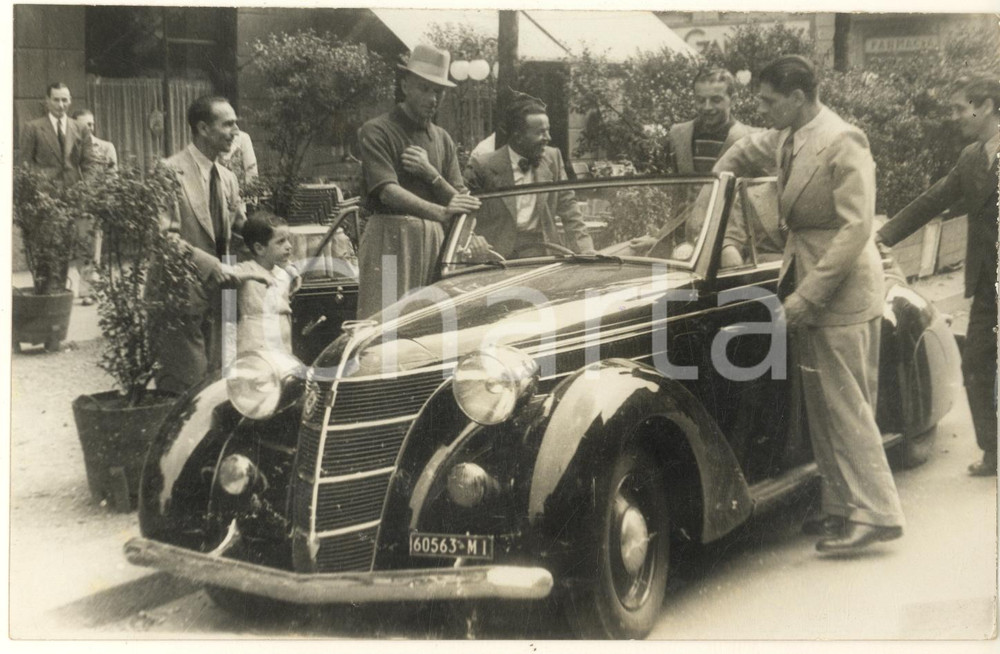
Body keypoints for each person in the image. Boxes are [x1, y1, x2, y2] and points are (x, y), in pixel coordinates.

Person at [714, 55, 904, 554]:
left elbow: (856, 228)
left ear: (798, 98)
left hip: (839, 289)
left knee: (847, 406)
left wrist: (807, 294)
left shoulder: (844, 140)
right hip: (806, 278)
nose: (760, 108)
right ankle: (841, 507)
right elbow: (737, 154)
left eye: (769, 100)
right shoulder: (786, 135)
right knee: (823, 408)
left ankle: (878, 514)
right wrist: (712, 193)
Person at [877, 76, 999, 477]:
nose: (956, 117)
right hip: (987, 285)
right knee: (976, 364)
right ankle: (993, 451)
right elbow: (932, 201)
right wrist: (880, 236)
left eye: (961, 108)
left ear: (986, 105)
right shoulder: (970, 158)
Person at [356, 43, 480, 318]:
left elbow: (462, 197)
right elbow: (387, 191)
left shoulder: (443, 138)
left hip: (435, 242)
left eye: (438, 91)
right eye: (424, 88)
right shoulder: (377, 130)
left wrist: (431, 175)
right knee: (383, 321)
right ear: (404, 86)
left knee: (428, 322)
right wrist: (441, 212)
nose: (433, 98)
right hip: (390, 238)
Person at [153, 95, 257, 395]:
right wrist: (211, 266)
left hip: (218, 300)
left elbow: (240, 226)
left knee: (217, 384)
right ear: (202, 128)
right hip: (182, 297)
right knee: (188, 387)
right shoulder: (169, 172)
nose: (236, 131)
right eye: (228, 124)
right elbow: (163, 239)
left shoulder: (226, 177)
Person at [463, 93, 594, 258]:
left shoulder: (553, 158)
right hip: (496, 256)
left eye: (548, 131)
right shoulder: (482, 166)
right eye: (540, 132)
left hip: (542, 252)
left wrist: (587, 252)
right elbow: (461, 213)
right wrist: (472, 238)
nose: (548, 138)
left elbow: (570, 210)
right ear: (517, 136)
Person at [668, 68, 758, 174]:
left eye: (716, 100)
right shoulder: (678, 134)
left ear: (733, 100)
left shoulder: (751, 138)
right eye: (701, 100)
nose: (707, 107)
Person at [234, 211, 300, 355]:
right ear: (259, 248)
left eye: (288, 240)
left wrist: (293, 272)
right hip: (254, 341)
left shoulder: (282, 271)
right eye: (280, 241)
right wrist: (252, 276)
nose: (288, 246)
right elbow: (226, 273)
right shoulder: (247, 268)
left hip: (282, 339)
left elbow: (289, 267)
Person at [72, 108, 118, 305]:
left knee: (92, 248)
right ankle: (89, 287)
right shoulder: (69, 147)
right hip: (71, 204)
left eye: (91, 124)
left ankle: (89, 290)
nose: (89, 128)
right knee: (79, 249)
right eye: (84, 125)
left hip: (94, 205)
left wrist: (106, 200)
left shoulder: (106, 147)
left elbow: (113, 176)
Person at [18, 82, 97, 185]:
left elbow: (89, 164)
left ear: (70, 101)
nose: (60, 105)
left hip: (75, 192)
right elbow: (25, 165)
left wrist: (86, 188)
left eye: (64, 100)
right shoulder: (33, 128)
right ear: (47, 100)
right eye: (56, 100)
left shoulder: (81, 129)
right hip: (44, 193)